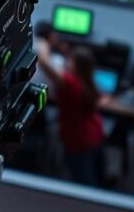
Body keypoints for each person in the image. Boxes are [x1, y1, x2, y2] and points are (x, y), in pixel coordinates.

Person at [37, 41, 105, 186]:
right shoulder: (88, 81)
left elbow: (43, 62)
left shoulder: (70, 83)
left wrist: (45, 42)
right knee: (98, 175)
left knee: (85, 183)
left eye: (71, 60)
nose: (67, 62)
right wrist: (64, 48)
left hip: (78, 140)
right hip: (95, 134)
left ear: (78, 65)